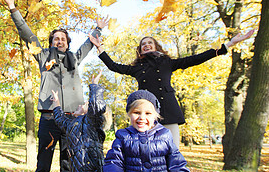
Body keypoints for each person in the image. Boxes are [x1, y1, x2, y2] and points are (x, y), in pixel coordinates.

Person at [0, 0, 108, 172]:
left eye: (63, 39)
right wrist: (13, 8)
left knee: (67, 169)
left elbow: (89, 44)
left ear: (67, 43)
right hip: (49, 119)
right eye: (56, 38)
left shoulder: (74, 60)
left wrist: (98, 28)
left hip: (73, 122)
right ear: (51, 43)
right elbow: (27, 34)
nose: (60, 41)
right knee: (42, 170)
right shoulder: (43, 57)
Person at [89, 31, 254, 148]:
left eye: (149, 43)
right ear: (140, 51)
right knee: (148, 149)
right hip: (147, 114)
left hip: (169, 110)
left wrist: (228, 44)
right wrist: (99, 48)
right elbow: (113, 66)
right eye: (143, 44)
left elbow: (196, 58)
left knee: (173, 150)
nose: (146, 45)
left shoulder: (167, 62)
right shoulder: (137, 67)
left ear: (156, 47)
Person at [50, 70, 109, 172]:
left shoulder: (90, 123)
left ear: (89, 110)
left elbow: (96, 106)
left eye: (84, 104)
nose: (79, 104)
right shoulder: (71, 124)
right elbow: (60, 119)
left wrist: (94, 86)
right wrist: (56, 102)